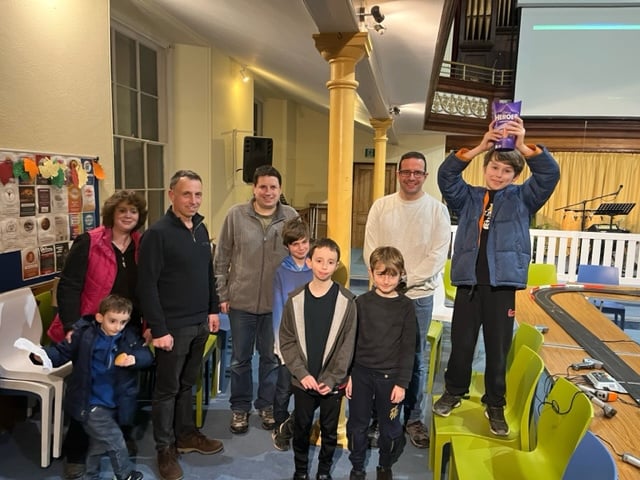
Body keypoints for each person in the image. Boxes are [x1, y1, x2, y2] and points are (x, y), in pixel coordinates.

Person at [433, 118, 560, 436]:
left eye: (506, 171)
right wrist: (479, 147)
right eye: (494, 167)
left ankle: (495, 404)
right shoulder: (468, 197)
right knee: (461, 344)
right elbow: (446, 176)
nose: (499, 174)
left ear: (515, 176)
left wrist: (521, 146)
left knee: (497, 347)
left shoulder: (523, 198)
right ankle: (453, 392)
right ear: (485, 167)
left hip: (501, 287)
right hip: (468, 284)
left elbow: (549, 174)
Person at [50, 190, 148, 479]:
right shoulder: (89, 242)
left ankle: (117, 435)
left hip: (127, 326)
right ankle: (77, 452)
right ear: (112, 214)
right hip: (91, 327)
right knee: (87, 389)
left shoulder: (141, 245)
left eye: (133, 211)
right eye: (122, 211)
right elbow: (68, 286)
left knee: (123, 385)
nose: (128, 216)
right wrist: (71, 326)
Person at [137, 170, 223, 480]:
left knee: (188, 385)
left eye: (198, 194)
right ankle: (165, 449)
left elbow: (207, 274)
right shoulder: (157, 234)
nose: (193, 200)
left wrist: (213, 310)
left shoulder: (200, 228)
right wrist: (158, 328)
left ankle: (186, 435)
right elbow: (146, 286)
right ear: (171, 194)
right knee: (167, 390)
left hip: (200, 322)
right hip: (172, 327)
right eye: (187, 194)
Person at [363, 151, 451, 448]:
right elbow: (370, 249)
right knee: (377, 356)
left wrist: (403, 282)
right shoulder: (381, 207)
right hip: (381, 296)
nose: (411, 177)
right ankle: (378, 417)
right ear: (397, 173)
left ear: (425, 176)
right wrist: (386, 283)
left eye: (418, 172)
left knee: (415, 359)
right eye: (406, 171)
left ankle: (413, 418)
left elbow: (437, 256)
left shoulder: (437, 210)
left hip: (418, 297)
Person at [214, 164, 299, 434]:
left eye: (273, 187)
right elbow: (222, 257)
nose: (268, 192)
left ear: (280, 189)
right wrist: (222, 293)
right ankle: (239, 408)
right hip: (241, 301)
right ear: (254, 188)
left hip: (277, 304)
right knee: (239, 359)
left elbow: (301, 257)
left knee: (271, 358)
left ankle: (266, 405)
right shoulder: (236, 215)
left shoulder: (291, 217)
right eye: (263, 186)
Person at [31, 295, 153, 480]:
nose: (117, 327)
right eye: (112, 321)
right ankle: (126, 475)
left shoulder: (129, 337)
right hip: (91, 403)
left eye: (123, 322)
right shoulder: (84, 335)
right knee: (116, 441)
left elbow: (146, 355)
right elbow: (61, 352)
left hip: (114, 402)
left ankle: (90, 475)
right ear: (99, 317)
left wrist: (134, 359)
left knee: (98, 445)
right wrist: (41, 356)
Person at [279, 238, 357, 480]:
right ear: (310, 262)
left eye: (330, 262)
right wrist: (302, 374)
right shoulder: (295, 299)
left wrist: (333, 378)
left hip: (331, 383)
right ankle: (300, 470)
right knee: (301, 428)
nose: (324, 266)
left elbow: (347, 345)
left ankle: (324, 472)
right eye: (320, 261)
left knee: (329, 430)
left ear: (336, 266)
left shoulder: (348, 302)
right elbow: (287, 340)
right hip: (303, 380)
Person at [347, 246, 416, 480]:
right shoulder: (361, 303)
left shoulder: (406, 307)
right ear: (371, 273)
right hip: (361, 375)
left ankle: (385, 465)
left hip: (391, 379)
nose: (386, 280)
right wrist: (348, 375)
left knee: (390, 427)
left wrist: (402, 383)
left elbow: (408, 349)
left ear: (401, 274)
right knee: (357, 424)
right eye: (381, 274)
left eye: (392, 274)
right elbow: (351, 343)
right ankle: (357, 467)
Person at [271, 217, 313, 451]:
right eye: (295, 243)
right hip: (287, 343)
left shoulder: (314, 269)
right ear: (287, 245)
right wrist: (279, 346)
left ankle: (295, 426)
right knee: (284, 388)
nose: (301, 247)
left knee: (306, 390)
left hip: (309, 344)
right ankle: (279, 425)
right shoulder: (280, 272)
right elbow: (278, 310)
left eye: (305, 242)